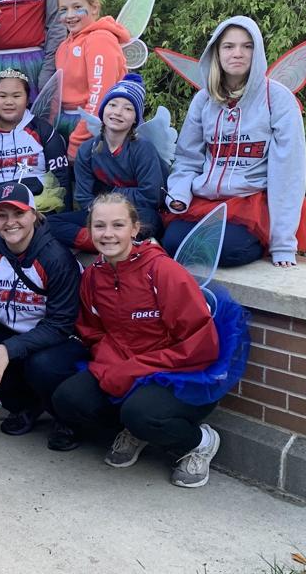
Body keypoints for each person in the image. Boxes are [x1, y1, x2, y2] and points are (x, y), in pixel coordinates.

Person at [53, 193, 246, 488]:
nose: (107, 234)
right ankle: (136, 431)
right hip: (126, 364)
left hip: (180, 370)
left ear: (135, 228)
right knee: (68, 399)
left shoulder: (162, 271)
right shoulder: (92, 276)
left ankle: (199, 442)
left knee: (141, 414)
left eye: (118, 225)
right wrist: (113, 363)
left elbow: (200, 344)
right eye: (99, 226)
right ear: (90, 230)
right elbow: (92, 331)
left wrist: (133, 368)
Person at [163, 16, 306, 267]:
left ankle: (259, 242)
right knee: (173, 242)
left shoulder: (278, 99)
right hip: (207, 200)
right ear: (216, 52)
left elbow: (288, 172)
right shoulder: (203, 100)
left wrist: (282, 244)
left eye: (247, 46)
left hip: (252, 203)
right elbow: (187, 158)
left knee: (226, 250)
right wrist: (179, 194)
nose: (238, 53)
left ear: (256, 52)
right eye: (229, 46)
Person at [0, 182, 87, 451]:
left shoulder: (56, 257)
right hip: (12, 331)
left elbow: (61, 324)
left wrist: (8, 349)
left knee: (42, 365)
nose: (10, 222)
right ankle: (24, 406)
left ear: (34, 214)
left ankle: (67, 419)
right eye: (1, 215)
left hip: (59, 338)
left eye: (18, 213)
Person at [47, 73, 164, 251]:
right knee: (50, 223)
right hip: (99, 212)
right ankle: (102, 242)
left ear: (135, 118)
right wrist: (103, 210)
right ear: (103, 110)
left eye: (128, 109)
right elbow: (83, 196)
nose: (118, 112)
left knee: (150, 219)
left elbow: (150, 196)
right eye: (112, 105)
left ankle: (108, 240)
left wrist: (111, 193)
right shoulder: (87, 149)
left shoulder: (143, 149)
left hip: (133, 212)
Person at [0, 68, 69, 225]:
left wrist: (47, 215)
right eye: (2, 96)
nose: (9, 102)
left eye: (16, 96)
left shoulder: (43, 130)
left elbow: (61, 177)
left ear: (27, 100)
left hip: (40, 207)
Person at [53, 0, 130, 156]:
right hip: (67, 124)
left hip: (94, 130)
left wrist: (78, 141)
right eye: (63, 9)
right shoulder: (64, 46)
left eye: (77, 7)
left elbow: (101, 95)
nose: (70, 15)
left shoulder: (100, 39)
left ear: (94, 7)